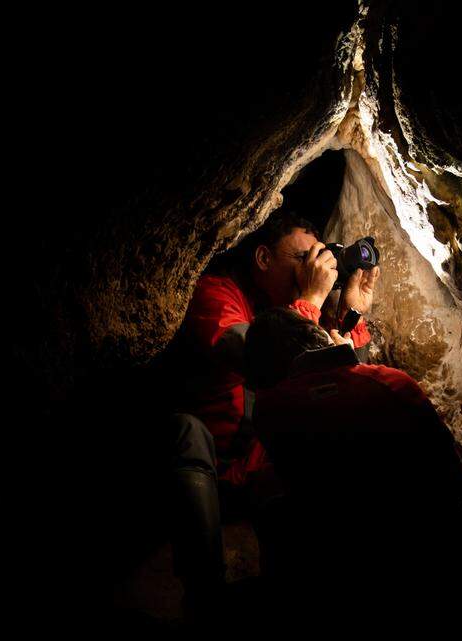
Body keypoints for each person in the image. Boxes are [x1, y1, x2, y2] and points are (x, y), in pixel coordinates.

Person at [162, 209, 380, 622]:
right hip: (212, 468)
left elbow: (349, 385)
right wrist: (311, 301)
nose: (309, 271)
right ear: (263, 259)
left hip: (262, 474)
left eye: (316, 260)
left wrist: (350, 312)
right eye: (300, 259)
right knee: (183, 429)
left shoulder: (297, 311)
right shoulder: (218, 293)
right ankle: (205, 598)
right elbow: (263, 358)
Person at [242, 307, 462, 635]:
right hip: (427, 559)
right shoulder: (394, 382)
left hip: (339, 574)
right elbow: (456, 485)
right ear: (322, 339)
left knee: (276, 516)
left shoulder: (273, 409)